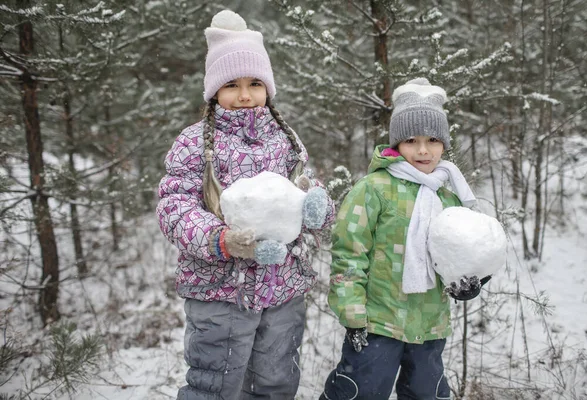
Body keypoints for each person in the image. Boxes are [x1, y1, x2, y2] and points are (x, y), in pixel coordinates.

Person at [156, 10, 334, 400]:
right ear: (213, 90)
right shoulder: (194, 143)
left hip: (283, 286)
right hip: (220, 291)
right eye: (231, 84)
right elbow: (174, 206)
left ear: (267, 87)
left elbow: (303, 185)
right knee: (215, 382)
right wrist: (221, 239)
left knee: (275, 380)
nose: (244, 95)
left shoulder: (285, 139)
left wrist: (318, 205)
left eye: (254, 83)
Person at [320, 78, 484, 400]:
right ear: (397, 143)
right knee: (359, 393)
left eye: (433, 140)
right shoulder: (372, 189)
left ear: (443, 144)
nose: (423, 150)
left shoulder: (449, 197)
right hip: (378, 323)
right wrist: (352, 313)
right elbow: (349, 254)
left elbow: (458, 257)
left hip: (430, 324)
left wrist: (467, 282)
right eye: (411, 140)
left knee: (426, 394)